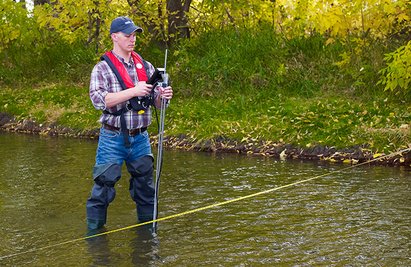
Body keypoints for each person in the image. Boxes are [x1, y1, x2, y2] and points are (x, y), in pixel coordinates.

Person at [86, 16, 173, 231]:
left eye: (134, 35)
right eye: (128, 35)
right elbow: (99, 100)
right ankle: (94, 234)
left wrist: (163, 97)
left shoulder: (146, 65)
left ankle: (147, 232)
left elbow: (157, 104)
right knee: (103, 187)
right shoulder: (102, 68)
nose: (132, 39)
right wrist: (133, 91)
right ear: (115, 37)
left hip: (141, 137)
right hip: (112, 136)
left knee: (145, 187)